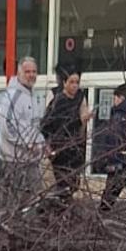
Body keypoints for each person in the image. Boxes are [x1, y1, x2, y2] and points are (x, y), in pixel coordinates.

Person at [42, 68, 90, 201]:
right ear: (64, 83)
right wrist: (47, 145)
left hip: (75, 148)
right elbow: (48, 125)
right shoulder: (58, 101)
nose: (75, 86)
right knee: (63, 185)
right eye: (71, 82)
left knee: (73, 186)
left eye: (77, 82)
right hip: (60, 149)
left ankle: (65, 208)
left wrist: (83, 122)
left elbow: (79, 125)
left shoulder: (80, 97)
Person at [0, 56, 43, 170]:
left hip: (31, 160)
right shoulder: (13, 95)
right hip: (14, 162)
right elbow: (7, 125)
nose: (31, 75)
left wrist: (41, 143)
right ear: (19, 74)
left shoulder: (33, 95)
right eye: (27, 72)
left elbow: (34, 126)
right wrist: (29, 144)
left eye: (34, 72)